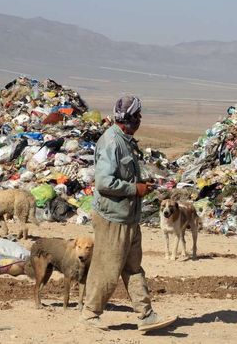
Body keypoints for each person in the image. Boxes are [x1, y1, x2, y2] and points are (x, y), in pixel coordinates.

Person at [80, 95, 177, 332]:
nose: (140, 120)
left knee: (133, 267)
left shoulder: (126, 141)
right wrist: (135, 189)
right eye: (137, 116)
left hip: (129, 217)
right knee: (107, 267)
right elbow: (104, 183)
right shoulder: (111, 142)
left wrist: (143, 185)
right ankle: (90, 314)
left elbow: (122, 177)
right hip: (113, 218)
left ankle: (146, 315)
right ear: (128, 118)